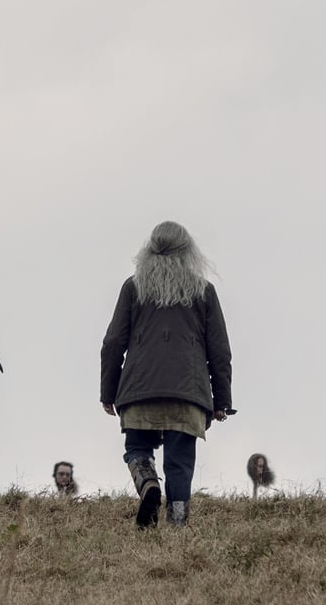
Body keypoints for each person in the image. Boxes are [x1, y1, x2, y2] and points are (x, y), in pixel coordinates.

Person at [99, 221, 233, 529]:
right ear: (189, 253)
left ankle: (147, 483)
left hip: (139, 389)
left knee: (137, 447)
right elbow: (220, 351)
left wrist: (109, 392)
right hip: (188, 392)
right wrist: (221, 399)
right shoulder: (204, 291)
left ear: (149, 250)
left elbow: (113, 343)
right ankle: (177, 521)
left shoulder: (133, 288)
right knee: (180, 460)